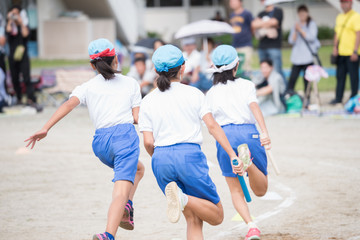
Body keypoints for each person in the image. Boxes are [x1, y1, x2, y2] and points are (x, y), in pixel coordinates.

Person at [24, 38, 145, 240]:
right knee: (120, 191)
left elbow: (68, 105)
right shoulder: (131, 83)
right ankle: (108, 234)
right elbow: (136, 118)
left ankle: (127, 207)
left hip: (101, 144)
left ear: (92, 65)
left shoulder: (87, 86)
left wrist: (45, 128)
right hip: (124, 139)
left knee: (139, 169)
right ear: (116, 59)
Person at [138, 44, 242, 239]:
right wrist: (232, 154)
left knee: (193, 219)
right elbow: (213, 127)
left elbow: (148, 142)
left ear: (155, 70)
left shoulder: (148, 101)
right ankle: (182, 197)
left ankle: (181, 198)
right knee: (217, 215)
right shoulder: (194, 94)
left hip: (160, 160)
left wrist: (159, 156)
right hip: (188, 157)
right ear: (183, 68)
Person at [206, 45, 270, 240]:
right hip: (249, 133)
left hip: (226, 137)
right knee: (261, 189)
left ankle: (251, 227)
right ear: (237, 65)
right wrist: (264, 131)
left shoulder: (210, 93)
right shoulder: (247, 85)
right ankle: (248, 164)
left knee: (235, 190)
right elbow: (254, 106)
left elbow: (211, 124)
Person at [6, 5, 41, 111]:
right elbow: (7, 32)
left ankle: (30, 98)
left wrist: (20, 22)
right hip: (12, 55)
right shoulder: (10, 26)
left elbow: (26, 34)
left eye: (16, 14)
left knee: (26, 78)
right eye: (13, 14)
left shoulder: (24, 25)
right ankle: (19, 98)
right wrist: (9, 20)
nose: (15, 16)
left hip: (23, 55)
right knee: (14, 78)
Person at [330, 0, 360, 105]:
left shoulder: (356, 16)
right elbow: (337, 33)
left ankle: (353, 98)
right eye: (342, 2)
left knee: (353, 77)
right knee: (340, 76)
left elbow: (358, 34)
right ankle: (338, 97)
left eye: (345, 2)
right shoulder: (340, 17)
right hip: (341, 52)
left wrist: (355, 51)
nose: (343, 5)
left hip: (351, 53)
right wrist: (335, 48)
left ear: (351, 3)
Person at [287, 5, 320, 96]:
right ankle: (289, 97)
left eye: (303, 12)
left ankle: (307, 100)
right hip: (297, 57)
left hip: (308, 57)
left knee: (307, 81)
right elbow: (291, 41)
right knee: (292, 79)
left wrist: (300, 30)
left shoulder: (311, 24)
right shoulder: (296, 25)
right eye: (300, 13)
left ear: (307, 13)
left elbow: (311, 38)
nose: (302, 15)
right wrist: (295, 31)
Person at [252, 0, 285, 84]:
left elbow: (275, 22)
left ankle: (283, 92)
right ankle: (269, 90)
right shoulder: (261, 13)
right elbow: (254, 25)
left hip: (274, 46)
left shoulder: (278, 11)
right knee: (264, 72)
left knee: (277, 71)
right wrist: (269, 24)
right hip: (262, 46)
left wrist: (261, 24)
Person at [229, 0, 254, 77]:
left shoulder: (247, 14)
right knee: (235, 67)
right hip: (235, 45)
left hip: (245, 44)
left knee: (246, 67)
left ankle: (249, 83)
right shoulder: (232, 15)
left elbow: (252, 27)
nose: (232, 3)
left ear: (240, 2)